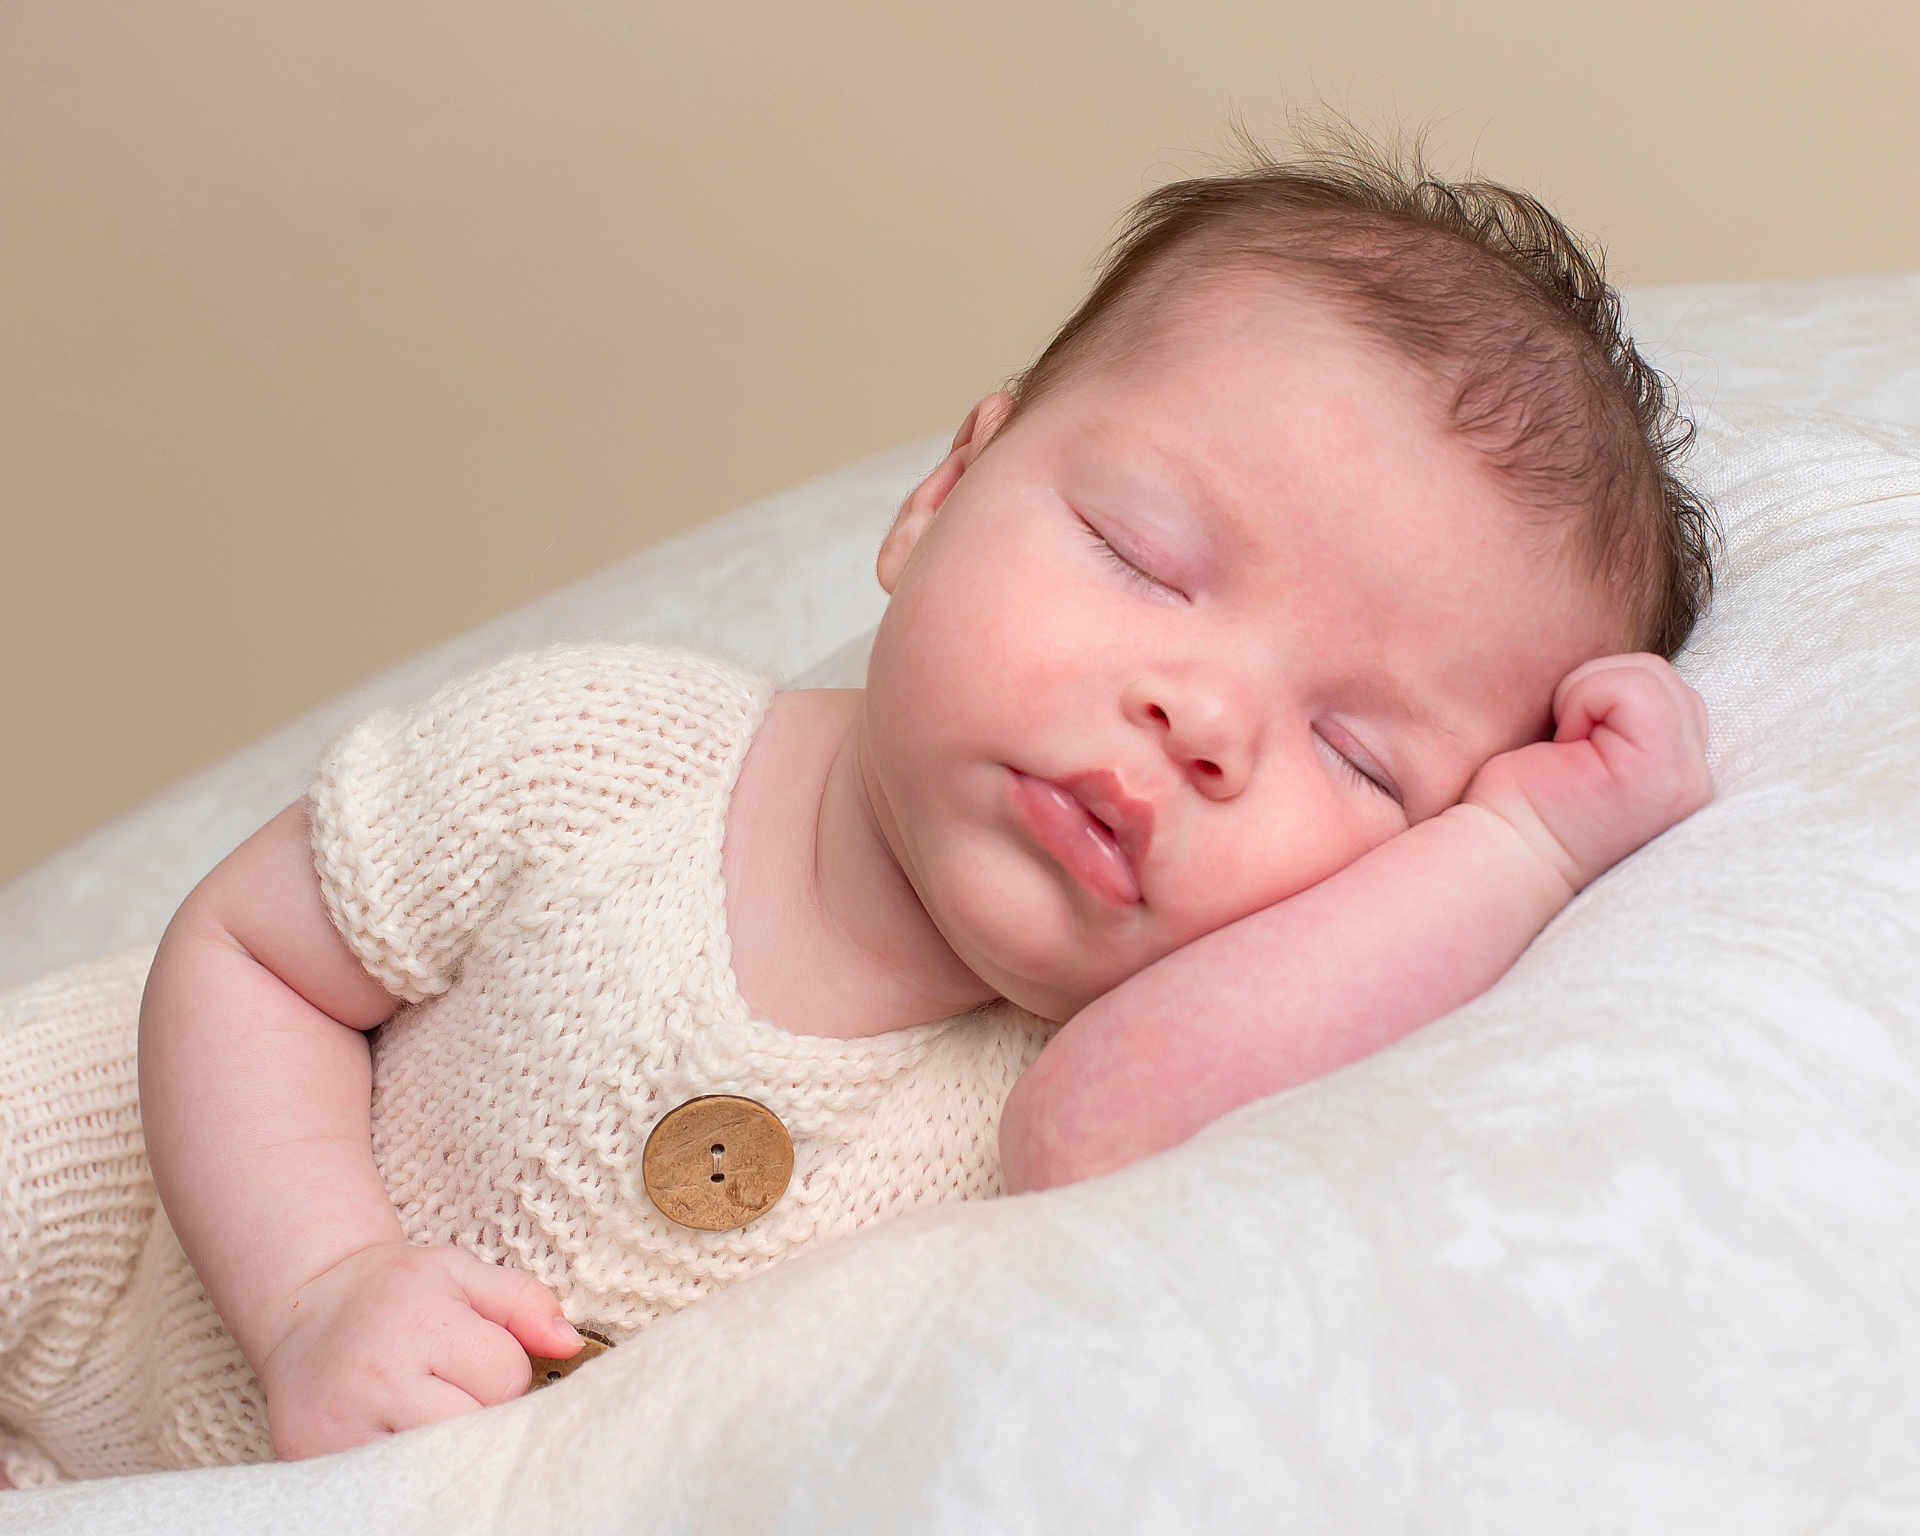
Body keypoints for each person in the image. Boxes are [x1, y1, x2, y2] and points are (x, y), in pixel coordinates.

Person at [0, 132, 1716, 1485]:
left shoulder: (1077, 1086)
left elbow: (1129, 1118)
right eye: (1141, 557)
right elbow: (254, 958)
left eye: (1360, 757)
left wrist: (1529, 839)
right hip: (88, 1250)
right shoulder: (611, 754)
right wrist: (315, 1287)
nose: (1201, 722)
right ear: (941, 496)